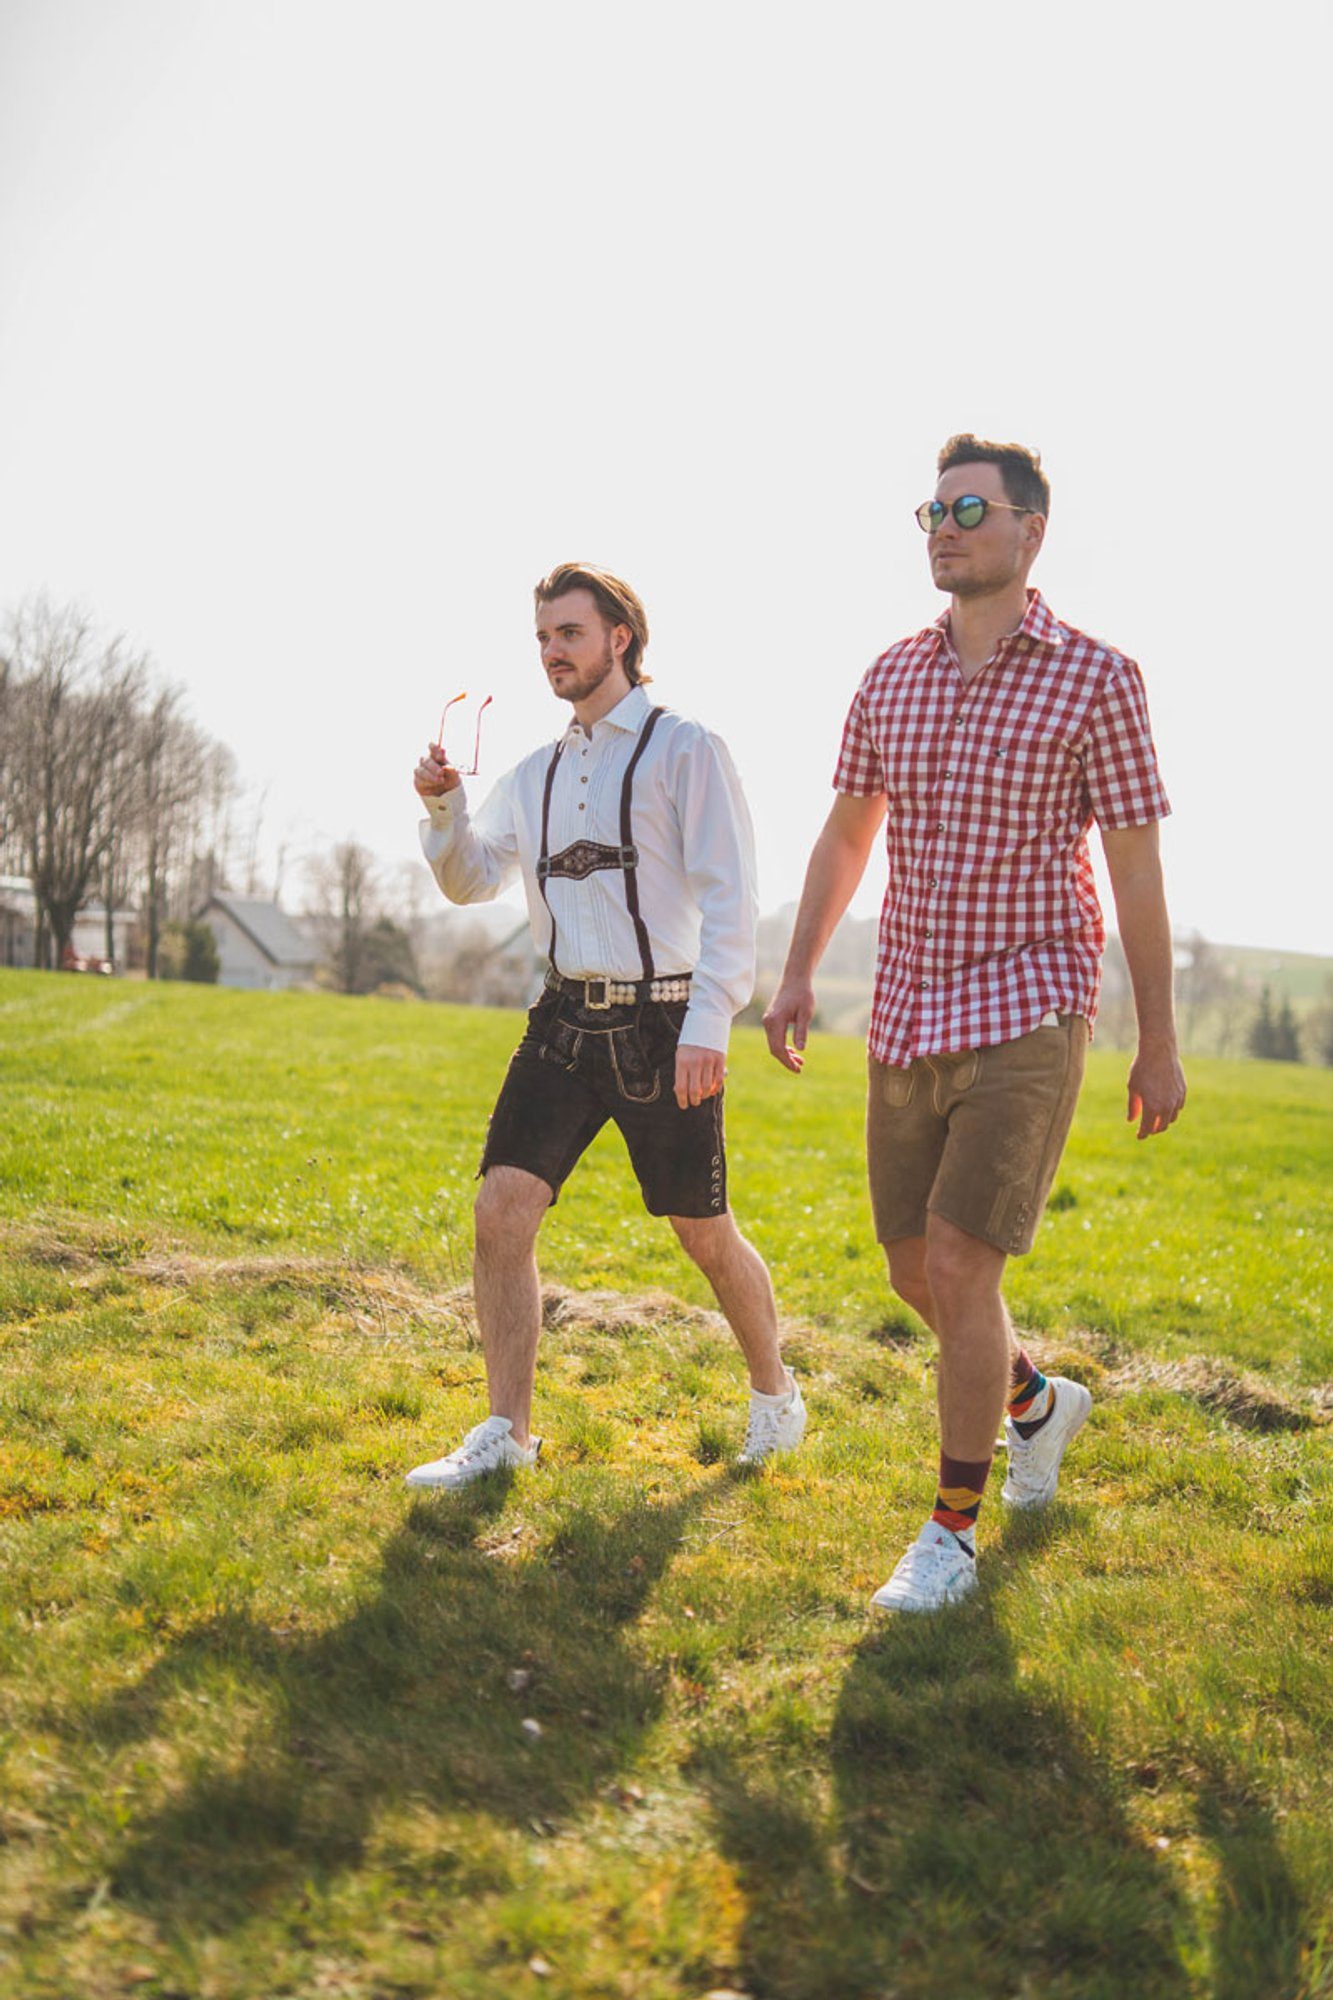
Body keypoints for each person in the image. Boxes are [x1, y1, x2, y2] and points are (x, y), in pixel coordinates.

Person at [764, 436, 1185, 1612]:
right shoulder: (890, 674)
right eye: (930, 511)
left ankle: (949, 1529)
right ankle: (1038, 1406)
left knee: (961, 1261)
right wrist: (797, 972)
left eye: (966, 508)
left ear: (1028, 531)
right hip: (905, 1003)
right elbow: (848, 833)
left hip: (1030, 1002)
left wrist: (1156, 1036)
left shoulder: (1099, 676)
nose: (942, 528)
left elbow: (1136, 867)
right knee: (919, 1275)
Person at [406, 561, 805, 1488]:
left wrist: (711, 1021)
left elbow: (731, 899)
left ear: (618, 639)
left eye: (569, 635)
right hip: (559, 1020)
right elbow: (469, 879)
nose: (552, 654)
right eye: (543, 639)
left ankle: (774, 1396)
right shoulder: (532, 774)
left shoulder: (684, 749)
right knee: (500, 1211)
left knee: (701, 1232)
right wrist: (440, 805)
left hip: (664, 1024)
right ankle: (506, 1432)